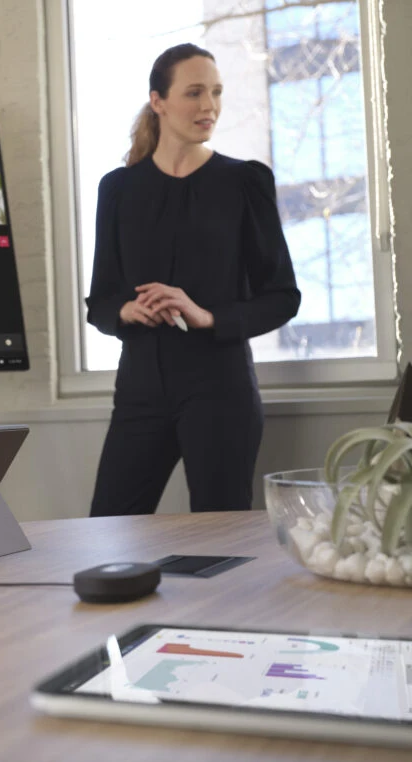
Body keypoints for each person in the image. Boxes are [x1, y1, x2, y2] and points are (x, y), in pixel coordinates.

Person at [85, 44, 301, 518]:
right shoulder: (118, 190)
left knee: (220, 542)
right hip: (140, 387)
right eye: (195, 93)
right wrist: (125, 310)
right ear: (157, 101)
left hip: (220, 389)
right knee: (107, 530)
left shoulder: (245, 182)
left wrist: (208, 316)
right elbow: (100, 301)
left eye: (217, 93)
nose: (210, 107)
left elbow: (284, 297)